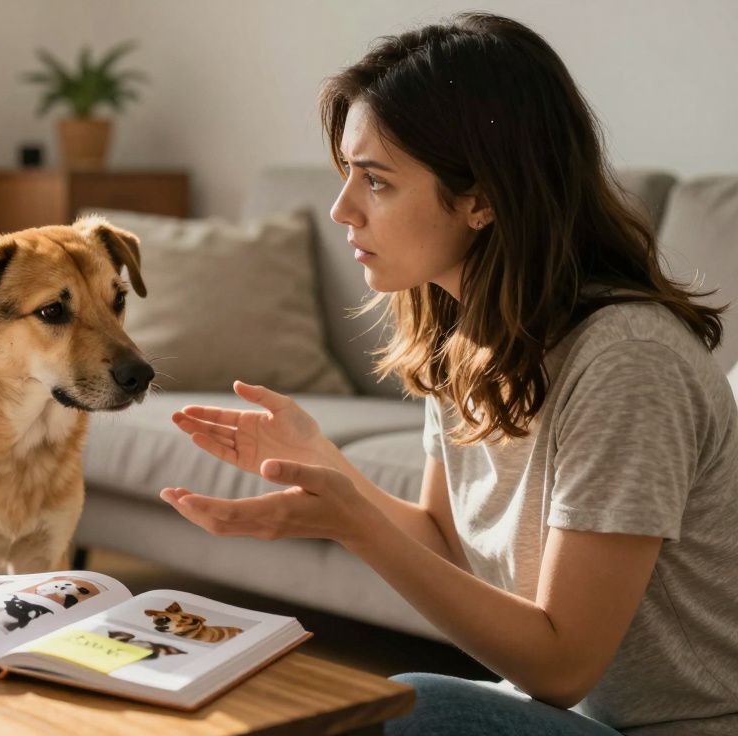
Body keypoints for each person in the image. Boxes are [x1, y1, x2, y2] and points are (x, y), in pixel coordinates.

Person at [159, 12, 737, 735]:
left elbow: (563, 669)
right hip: (579, 716)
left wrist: (357, 526)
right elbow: (444, 541)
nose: (341, 210)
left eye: (375, 181)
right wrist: (327, 472)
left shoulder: (627, 360)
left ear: (483, 198)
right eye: (347, 176)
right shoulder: (465, 333)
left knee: (410, 706)